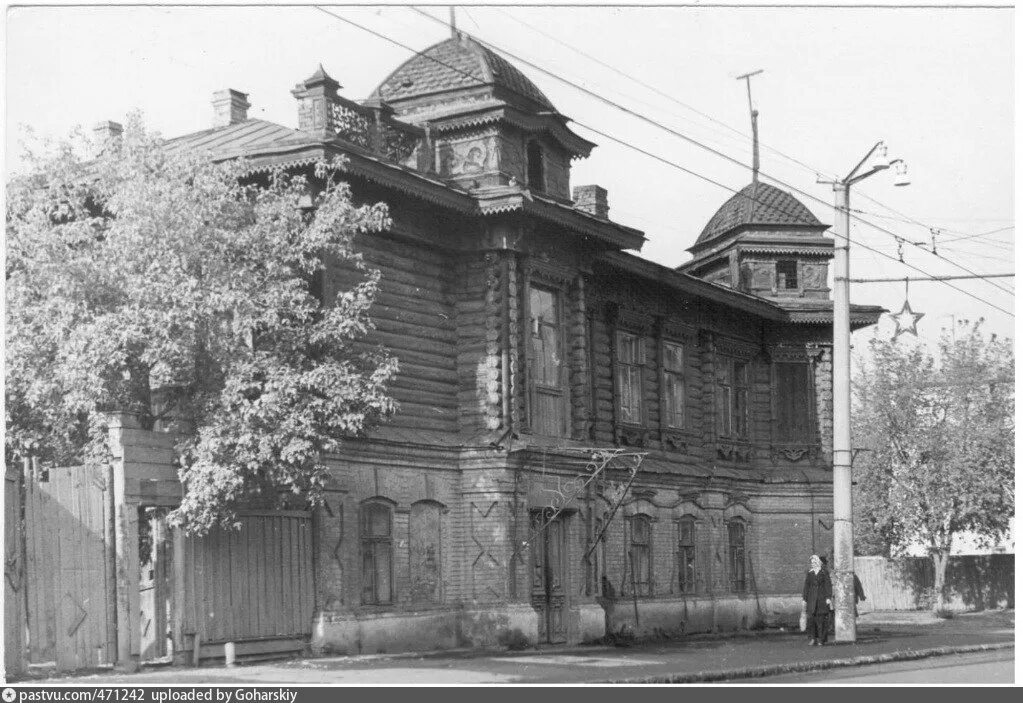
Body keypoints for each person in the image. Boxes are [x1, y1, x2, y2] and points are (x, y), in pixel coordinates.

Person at [802, 554, 832, 646]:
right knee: (811, 621)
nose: (813, 564)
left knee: (821, 621)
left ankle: (821, 639)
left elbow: (828, 585)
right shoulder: (810, 573)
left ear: (818, 562)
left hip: (821, 599)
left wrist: (828, 597)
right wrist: (804, 598)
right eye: (812, 563)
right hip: (811, 599)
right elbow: (806, 586)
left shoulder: (824, 572)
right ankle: (812, 638)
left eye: (815, 562)